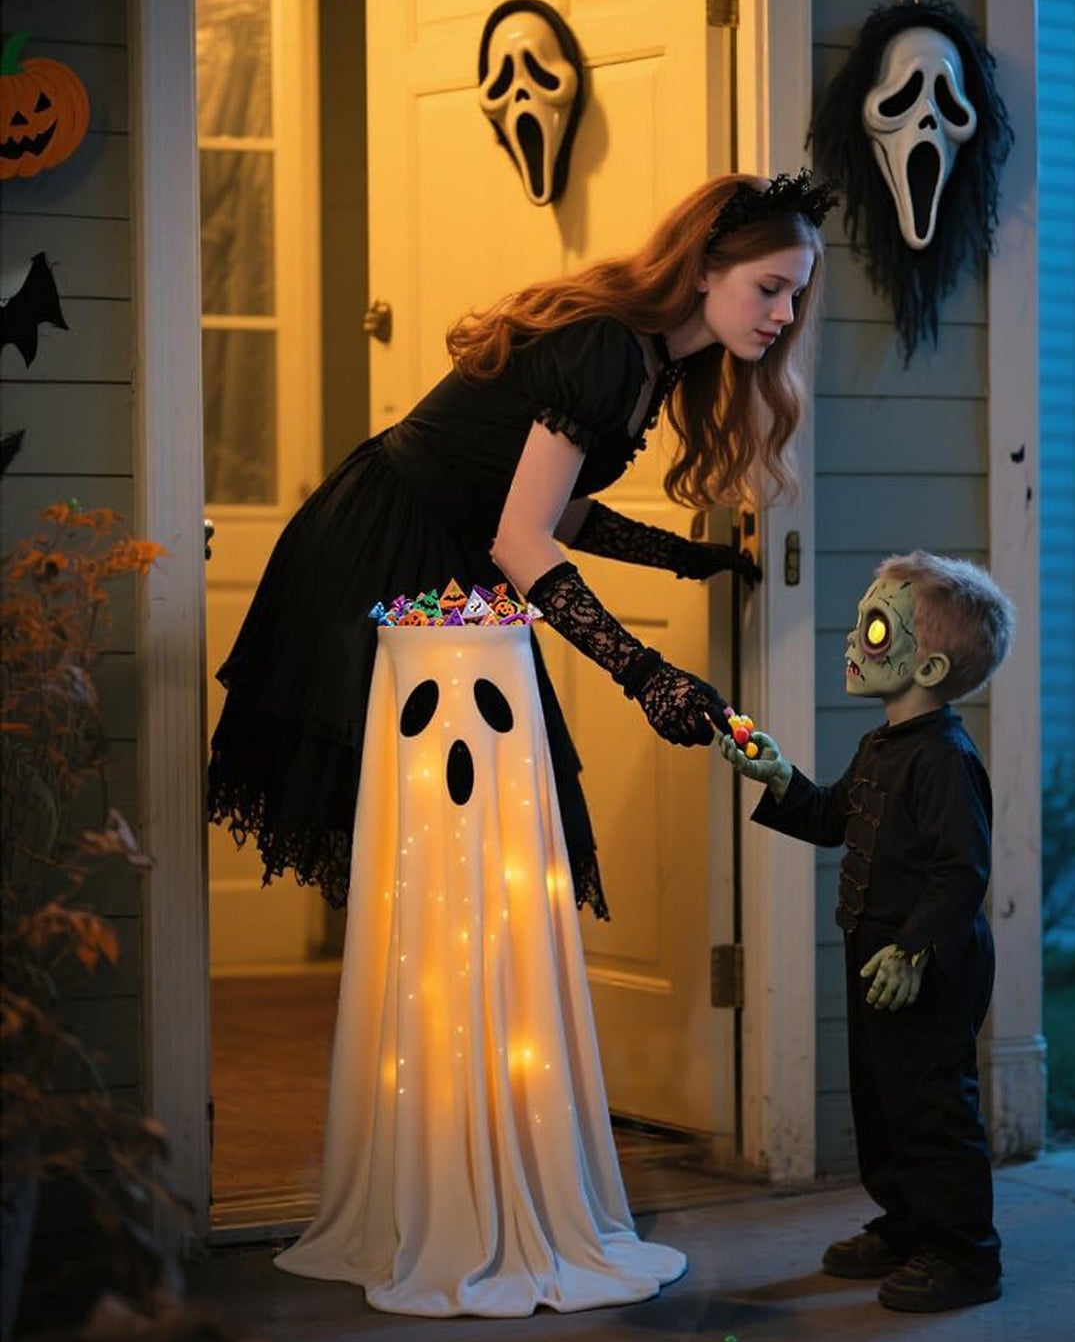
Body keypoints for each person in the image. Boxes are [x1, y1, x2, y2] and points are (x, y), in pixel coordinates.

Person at [207, 169, 836, 921]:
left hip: (446, 553)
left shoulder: (655, 363)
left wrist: (681, 557)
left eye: (794, 295)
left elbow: (552, 514)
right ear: (703, 267)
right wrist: (646, 675)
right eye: (769, 287)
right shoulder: (608, 346)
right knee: (437, 821)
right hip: (382, 547)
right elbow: (521, 540)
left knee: (473, 823)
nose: (782, 313)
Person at [718, 551, 1015, 1313]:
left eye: (874, 626)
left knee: (931, 1105)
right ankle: (907, 1223)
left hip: (927, 963)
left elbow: (960, 874)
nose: (853, 640)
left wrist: (914, 948)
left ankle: (964, 1254)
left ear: (933, 661)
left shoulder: (945, 761)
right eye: (860, 622)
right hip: (873, 958)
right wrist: (779, 775)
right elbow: (831, 818)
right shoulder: (881, 745)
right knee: (880, 1100)